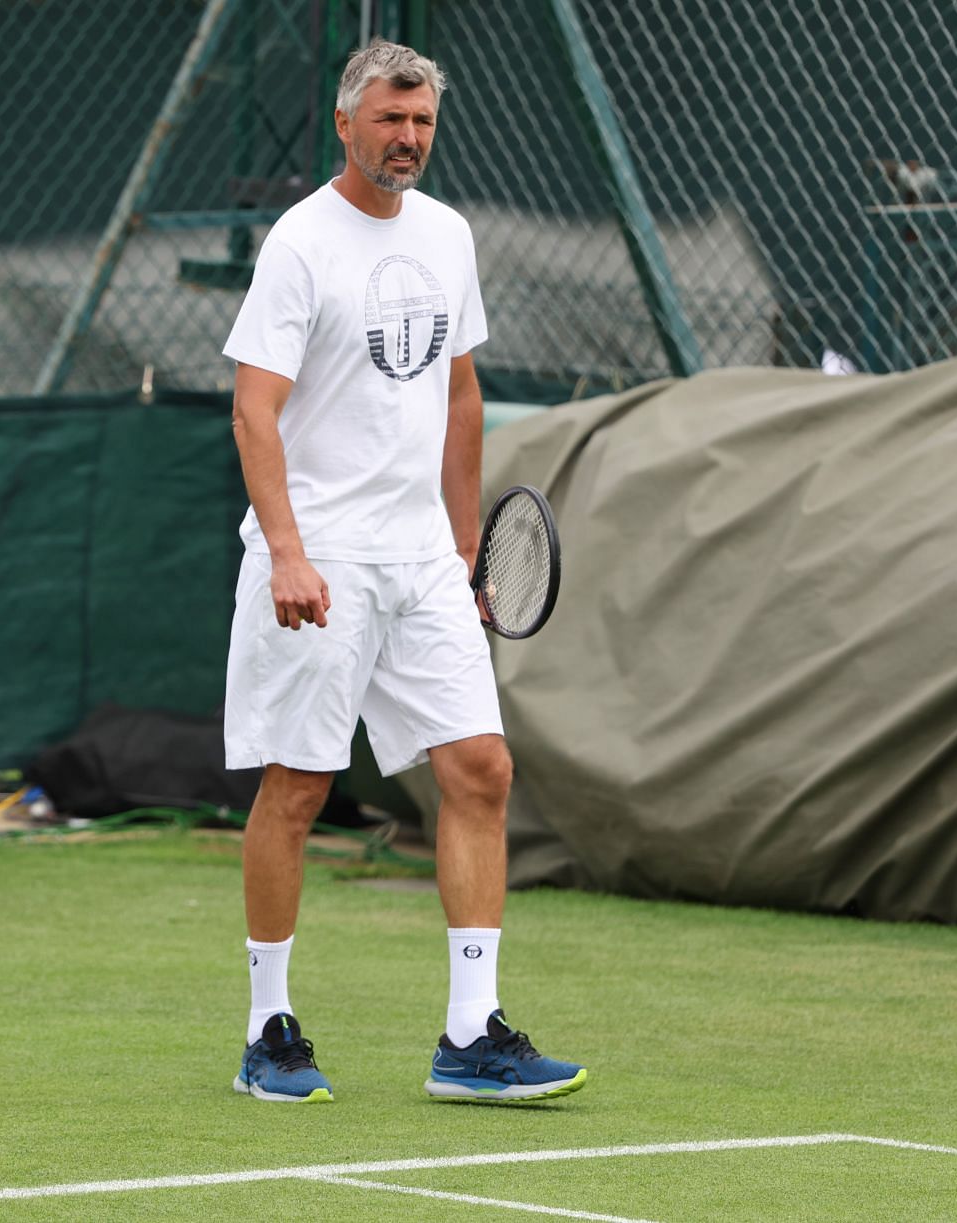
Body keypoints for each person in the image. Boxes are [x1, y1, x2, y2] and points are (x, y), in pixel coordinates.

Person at [221, 43, 587, 1104]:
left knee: (481, 768)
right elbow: (255, 407)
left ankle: (471, 1034)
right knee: (299, 785)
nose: (408, 138)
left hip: (424, 556)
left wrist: (468, 549)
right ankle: (268, 1029)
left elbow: (461, 395)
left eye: (422, 121)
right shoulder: (298, 243)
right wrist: (286, 548)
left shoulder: (449, 235)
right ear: (347, 123)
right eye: (390, 120)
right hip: (321, 550)